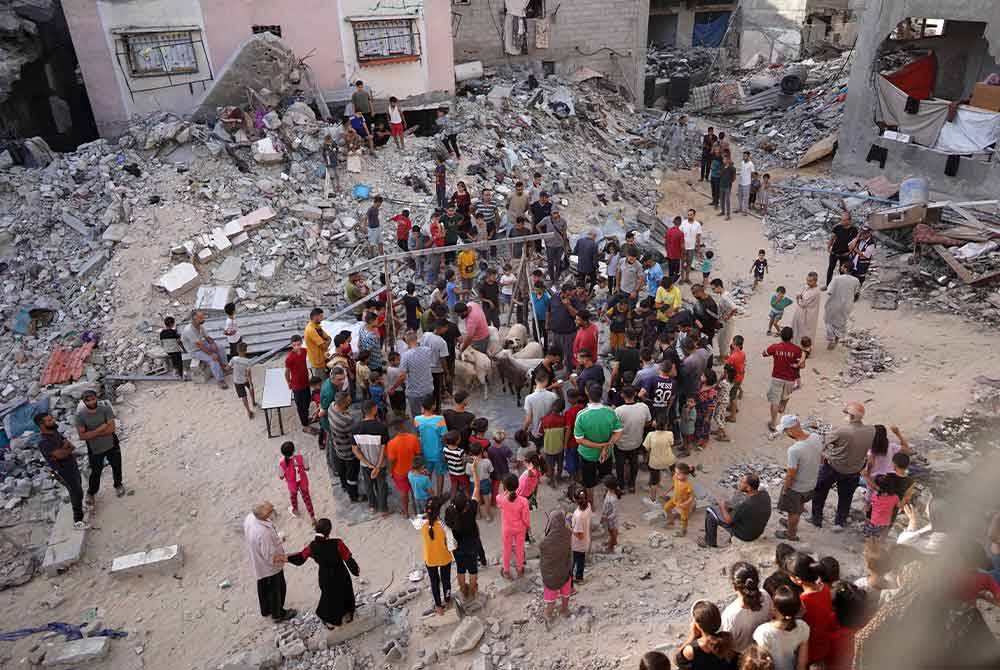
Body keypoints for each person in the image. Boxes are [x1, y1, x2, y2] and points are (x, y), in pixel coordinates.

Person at [810, 401, 874, 531]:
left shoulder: (843, 430)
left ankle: (816, 519)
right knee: (846, 497)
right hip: (854, 470)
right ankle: (840, 522)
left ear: (850, 416)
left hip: (834, 467)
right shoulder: (871, 430)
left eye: (846, 413)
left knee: (820, 493)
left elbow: (824, 442)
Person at [287, 518, 358, 629]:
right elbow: (348, 558)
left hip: (326, 577)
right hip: (341, 574)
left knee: (329, 597)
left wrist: (286, 558)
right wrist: (355, 570)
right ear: (329, 531)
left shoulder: (312, 546)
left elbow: (300, 558)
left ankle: (330, 621)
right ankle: (348, 614)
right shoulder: (337, 543)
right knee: (345, 592)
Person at [243, 502, 297, 623]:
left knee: (263, 587)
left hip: (258, 561)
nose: (272, 511)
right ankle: (278, 614)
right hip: (269, 568)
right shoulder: (263, 533)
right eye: (270, 511)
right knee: (276, 589)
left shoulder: (250, 518)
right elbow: (270, 557)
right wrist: (286, 558)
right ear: (264, 515)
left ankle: (266, 609)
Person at [773, 415, 822, 542]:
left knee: (792, 511)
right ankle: (791, 523)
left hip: (797, 487)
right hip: (811, 483)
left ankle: (791, 533)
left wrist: (785, 488)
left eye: (785, 430)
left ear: (790, 430)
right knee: (800, 505)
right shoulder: (816, 437)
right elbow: (821, 458)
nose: (785, 433)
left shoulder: (794, 450)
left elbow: (791, 474)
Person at [35, 412, 87, 528]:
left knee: (78, 488)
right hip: (62, 472)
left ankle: (79, 508)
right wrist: (63, 450)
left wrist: (63, 451)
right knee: (76, 492)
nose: (53, 421)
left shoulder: (55, 432)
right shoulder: (43, 442)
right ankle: (78, 521)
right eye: (49, 421)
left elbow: (71, 447)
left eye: (51, 419)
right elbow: (61, 454)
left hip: (71, 465)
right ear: (41, 425)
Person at [75, 389, 125, 503]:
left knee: (116, 466)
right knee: (96, 471)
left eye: (93, 399)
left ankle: (118, 485)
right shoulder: (80, 416)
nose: (91, 402)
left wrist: (92, 433)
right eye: (88, 400)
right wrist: (102, 428)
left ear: (96, 398)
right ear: (84, 402)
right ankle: (91, 492)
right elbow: (82, 436)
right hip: (95, 448)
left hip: (111, 443)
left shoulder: (105, 408)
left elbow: (112, 428)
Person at [787, 553, 837, 669]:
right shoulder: (825, 587)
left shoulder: (802, 601)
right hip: (824, 643)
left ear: (798, 580)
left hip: (809, 649)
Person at [700, 473, 772, 548]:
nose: (739, 483)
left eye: (742, 482)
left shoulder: (746, 505)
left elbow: (729, 521)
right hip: (757, 531)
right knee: (732, 507)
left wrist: (722, 506)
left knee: (711, 512)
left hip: (746, 535)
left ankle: (709, 542)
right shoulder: (764, 494)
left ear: (749, 488)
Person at [751, 585, 809, 670]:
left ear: (774, 608)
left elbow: (762, 665)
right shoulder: (803, 627)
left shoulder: (763, 633)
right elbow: (801, 665)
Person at [445, 478, 484, 601]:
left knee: (460, 570)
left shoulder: (450, 512)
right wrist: (474, 471)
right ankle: (472, 593)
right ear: (466, 506)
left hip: (457, 548)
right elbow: (477, 487)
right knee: (473, 571)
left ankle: (463, 591)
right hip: (472, 545)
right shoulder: (471, 509)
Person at [722, 562, 773, 654]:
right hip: (765, 651)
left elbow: (729, 643)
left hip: (742, 656)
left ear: (734, 587)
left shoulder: (730, 614)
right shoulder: (766, 596)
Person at [675, 600, 738, 670]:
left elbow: (677, 661)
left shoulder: (692, 649)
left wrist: (692, 637)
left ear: (697, 625)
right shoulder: (727, 640)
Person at [762, 327, 803, 432]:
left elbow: (764, 353)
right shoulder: (797, 350)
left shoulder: (775, 347)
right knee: (786, 395)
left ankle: (772, 423)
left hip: (777, 377)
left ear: (781, 336)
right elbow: (800, 365)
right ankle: (782, 406)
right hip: (790, 379)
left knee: (774, 401)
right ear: (792, 337)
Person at [353, 400, 390, 515]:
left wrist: (369, 464)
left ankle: (372, 506)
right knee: (381, 485)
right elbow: (384, 448)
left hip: (365, 464)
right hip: (380, 464)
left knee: (368, 484)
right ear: (374, 410)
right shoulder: (381, 427)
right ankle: (383, 509)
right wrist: (377, 466)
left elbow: (355, 449)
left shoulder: (356, 428)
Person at [390, 330, 435, 418]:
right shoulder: (427, 351)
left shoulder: (405, 356)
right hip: (428, 388)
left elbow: (402, 376)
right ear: (416, 339)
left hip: (414, 392)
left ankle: (419, 431)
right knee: (429, 412)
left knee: (417, 415)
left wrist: (393, 388)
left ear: (407, 342)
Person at [614, 385, 651, 493]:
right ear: (635, 394)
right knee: (634, 464)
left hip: (621, 444)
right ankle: (631, 485)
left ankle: (621, 485)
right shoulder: (643, 407)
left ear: (622, 395)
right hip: (636, 442)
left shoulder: (618, 411)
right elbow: (648, 422)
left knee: (620, 465)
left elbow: (614, 428)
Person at [420, 497, 453, 615]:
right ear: (439, 512)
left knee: (434, 583)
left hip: (430, 559)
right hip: (444, 558)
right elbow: (452, 545)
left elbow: (420, 519)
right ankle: (448, 600)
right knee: (446, 581)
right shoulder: (444, 527)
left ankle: (438, 607)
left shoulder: (421, 525)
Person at [539, 508, 573, 620]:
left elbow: (543, 556)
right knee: (565, 592)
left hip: (551, 575)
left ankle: (548, 613)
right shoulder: (568, 534)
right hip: (565, 571)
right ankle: (564, 609)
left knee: (551, 595)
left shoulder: (545, 542)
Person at [329, 391, 362, 502]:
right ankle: (354, 496)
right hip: (348, 451)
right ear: (342, 404)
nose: (350, 401)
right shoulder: (346, 420)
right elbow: (354, 436)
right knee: (352, 474)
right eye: (348, 401)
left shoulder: (331, 407)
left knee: (342, 470)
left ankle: (344, 485)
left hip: (337, 447)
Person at [181, 310, 229, 388]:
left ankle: (224, 367)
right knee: (213, 359)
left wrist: (213, 344)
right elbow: (199, 346)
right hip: (195, 351)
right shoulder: (189, 330)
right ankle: (220, 380)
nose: (203, 319)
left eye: (202, 317)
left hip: (202, 344)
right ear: (194, 319)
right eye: (200, 318)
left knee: (220, 347)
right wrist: (211, 353)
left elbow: (207, 337)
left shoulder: (200, 326)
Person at [497, 473, 531, 579]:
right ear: (517, 485)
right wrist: (528, 527)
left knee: (506, 549)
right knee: (519, 549)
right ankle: (520, 569)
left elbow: (500, 502)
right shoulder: (524, 501)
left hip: (507, 529)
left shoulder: (500, 498)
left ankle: (506, 571)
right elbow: (525, 518)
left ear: (505, 486)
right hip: (520, 528)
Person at [386, 418, 420, 517]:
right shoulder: (413, 438)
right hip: (413, 470)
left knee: (404, 493)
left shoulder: (391, 443)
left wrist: (391, 471)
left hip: (400, 473)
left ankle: (406, 513)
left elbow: (392, 461)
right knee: (415, 491)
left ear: (394, 429)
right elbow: (418, 455)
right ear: (404, 426)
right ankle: (418, 511)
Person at [823, 261, 861, 350]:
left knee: (828, 321)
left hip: (834, 304)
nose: (841, 267)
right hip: (847, 305)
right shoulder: (856, 280)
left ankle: (831, 338)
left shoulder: (837, 279)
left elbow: (829, 292)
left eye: (842, 266)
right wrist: (851, 302)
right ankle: (837, 338)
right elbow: (857, 294)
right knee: (841, 323)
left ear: (845, 268)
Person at [284, 335, 315, 434]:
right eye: (294, 345)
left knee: (307, 401)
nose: (297, 347)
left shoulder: (305, 351)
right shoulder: (289, 358)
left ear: (301, 343)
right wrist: (289, 382)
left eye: (298, 344)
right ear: (292, 345)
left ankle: (306, 418)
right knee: (301, 406)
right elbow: (287, 372)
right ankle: (305, 426)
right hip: (297, 385)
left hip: (305, 382)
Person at [278, 441, 315, 522]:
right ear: (294, 450)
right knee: (307, 499)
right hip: (303, 481)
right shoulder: (301, 457)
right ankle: (312, 517)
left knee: (293, 497)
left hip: (292, 484)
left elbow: (281, 476)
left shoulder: (281, 463)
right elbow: (307, 468)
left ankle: (295, 510)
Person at [644, 415, 675, 502]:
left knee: (653, 482)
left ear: (655, 423)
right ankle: (676, 487)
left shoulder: (650, 435)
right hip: (669, 459)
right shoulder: (670, 434)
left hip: (655, 462)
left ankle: (653, 498)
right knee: (674, 473)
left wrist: (647, 458)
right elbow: (671, 444)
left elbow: (647, 448)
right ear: (666, 424)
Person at [825, 212, 858, 288]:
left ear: (849, 221)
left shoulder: (854, 230)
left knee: (842, 271)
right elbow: (832, 238)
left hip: (844, 254)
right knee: (830, 269)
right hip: (834, 252)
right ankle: (828, 285)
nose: (842, 222)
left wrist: (849, 252)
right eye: (841, 220)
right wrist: (828, 247)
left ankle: (841, 287)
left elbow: (855, 243)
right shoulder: (837, 227)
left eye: (844, 220)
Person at [664, 462, 696, 537]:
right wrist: (667, 491)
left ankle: (683, 531)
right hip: (675, 499)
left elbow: (692, 497)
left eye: (678, 473)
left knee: (684, 518)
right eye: (676, 472)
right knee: (666, 508)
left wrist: (685, 504)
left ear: (685, 475)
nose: (676, 474)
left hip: (684, 504)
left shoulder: (688, 485)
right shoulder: (675, 477)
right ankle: (671, 522)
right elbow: (674, 485)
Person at [540, 398, 566, 485]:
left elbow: (540, 433)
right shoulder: (563, 419)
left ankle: (551, 480)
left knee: (550, 465)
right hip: (560, 447)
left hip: (549, 448)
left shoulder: (544, 419)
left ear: (552, 407)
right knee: (560, 464)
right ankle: (559, 478)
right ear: (562, 409)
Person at [790, 273, 821, 345]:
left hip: (807, 315)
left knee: (805, 331)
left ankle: (805, 348)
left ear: (815, 281)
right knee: (799, 329)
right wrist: (800, 296)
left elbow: (803, 303)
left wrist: (798, 298)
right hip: (803, 313)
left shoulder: (815, 292)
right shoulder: (808, 287)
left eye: (810, 281)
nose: (807, 282)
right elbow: (802, 294)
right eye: (807, 280)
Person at [570, 487, 592, 583]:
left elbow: (580, 535)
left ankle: (569, 581)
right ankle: (579, 578)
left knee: (573, 561)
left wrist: (569, 528)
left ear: (575, 499)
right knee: (581, 560)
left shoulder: (579, 515)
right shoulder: (588, 506)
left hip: (577, 544)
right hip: (585, 541)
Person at [541, 209, 570, 282]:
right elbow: (538, 226)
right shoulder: (547, 219)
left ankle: (556, 278)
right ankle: (551, 278)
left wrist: (565, 245)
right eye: (554, 213)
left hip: (560, 246)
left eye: (556, 213)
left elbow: (564, 234)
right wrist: (543, 236)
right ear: (551, 213)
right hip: (550, 245)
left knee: (558, 263)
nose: (555, 215)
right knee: (550, 263)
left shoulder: (563, 221)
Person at [230, 341, 255, 420]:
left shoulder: (234, 359)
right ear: (246, 351)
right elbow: (248, 374)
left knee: (243, 396)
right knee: (251, 389)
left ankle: (248, 411)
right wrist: (250, 383)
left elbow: (228, 367)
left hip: (237, 381)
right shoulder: (248, 361)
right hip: (245, 380)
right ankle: (253, 402)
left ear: (237, 350)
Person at [303, 308, 331, 379]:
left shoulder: (317, 327)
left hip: (323, 360)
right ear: (315, 317)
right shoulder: (311, 330)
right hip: (317, 363)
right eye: (321, 316)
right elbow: (324, 346)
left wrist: (325, 343)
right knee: (321, 384)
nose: (322, 318)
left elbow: (329, 338)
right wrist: (326, 343)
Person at [726, 336, 746, 421]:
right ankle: (733, 407)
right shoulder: (743, 353)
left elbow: (726, 371)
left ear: (734, 343)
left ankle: (733, 416)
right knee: (734, 393)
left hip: (734, 379)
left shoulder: (732, 357)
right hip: (740, 377)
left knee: (732, 397)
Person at [680, 210, 703, 284]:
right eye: (688, 215)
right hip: (683, 247)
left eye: (691, 215)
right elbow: (680, 234)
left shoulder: (697, 225)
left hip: (691, 248)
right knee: (682, 263)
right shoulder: (684, 223)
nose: (689, 216)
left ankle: (687, 278)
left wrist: (698, 248)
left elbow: (698, 237)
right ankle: (682, 278)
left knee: (689, 263)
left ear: (694, 215)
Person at [601, 474, 621, 553]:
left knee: (613, 532)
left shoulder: (613, 498)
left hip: (612, 519)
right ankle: (613, 542)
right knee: (610, 531)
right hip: (607, 516)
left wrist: (607, 517)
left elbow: (615, 512)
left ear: (609, 486)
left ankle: (611, 547)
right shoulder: (608, 493)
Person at [718, 155, 736, 220]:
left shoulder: (732, 168)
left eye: (725, 159)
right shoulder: (722, 166)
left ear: (728, 160)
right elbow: (720, 174)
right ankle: (723, 211)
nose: (723, 161)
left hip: (727, 186)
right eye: (723, 159)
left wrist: (729, 182)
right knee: (721, 199)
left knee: (727, 200)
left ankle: (728, 215)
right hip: (721, 185)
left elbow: (734, 178)